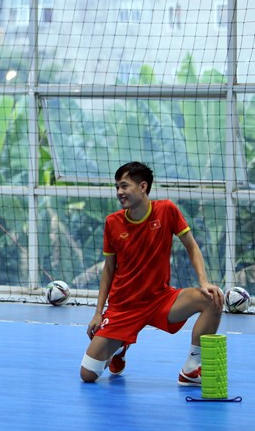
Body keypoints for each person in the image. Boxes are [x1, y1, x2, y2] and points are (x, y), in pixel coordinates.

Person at [80, 162, 224, 384]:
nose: (119, 192)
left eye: (124, 186)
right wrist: (99, 312)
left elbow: (191, 246)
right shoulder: (112, 223)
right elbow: (108, 270)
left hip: (160, 300)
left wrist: (204, 282)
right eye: (117, 187)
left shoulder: (166, 210)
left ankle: (192, 368)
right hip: (123, 308)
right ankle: (120, 347)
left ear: (143, 187)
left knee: (212, 299)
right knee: (88, 375)